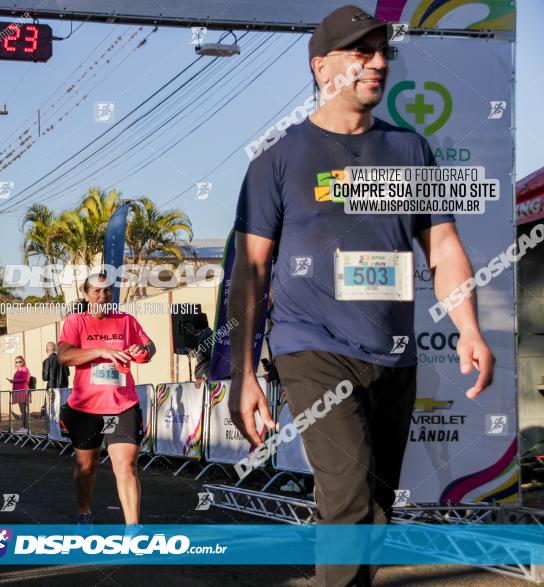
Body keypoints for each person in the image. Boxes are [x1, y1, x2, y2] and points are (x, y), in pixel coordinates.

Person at [227, 6, 494, 585]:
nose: (377, 63)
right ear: (322, 67)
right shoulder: (277, 156)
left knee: (371, 508)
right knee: (349, 499)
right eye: (360, 52)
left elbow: (443, 248)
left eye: (381, 51)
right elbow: (250, 268)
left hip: (394, 355)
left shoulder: (410, 150)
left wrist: (468, 327)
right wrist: (242, 372)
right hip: (312, 347)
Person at [57, 272, 156, 526]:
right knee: (87, 467)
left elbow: (150, 347)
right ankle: (84, 513)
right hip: (87, 407)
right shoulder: (75, 321)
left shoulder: (126, 321)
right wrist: (101, 350)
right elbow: (65, 356)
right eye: (97, 291)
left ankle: (133, 530)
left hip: (122, 404)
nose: (102, 296)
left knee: (125, 466)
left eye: (107, 291)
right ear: (86, 294)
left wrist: (141, 349)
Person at [7, 356, 30, 433]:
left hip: (23, 391)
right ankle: (25, 427)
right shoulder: (18, 371)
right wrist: (13, 381)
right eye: (17, 362)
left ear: (23, 362)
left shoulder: (24, 369)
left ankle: (25, 428)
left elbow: (26, 379)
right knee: (22, 410)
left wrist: (14, 381)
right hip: (18, 391)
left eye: (20, 361)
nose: (18, 363)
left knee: (23, 410)